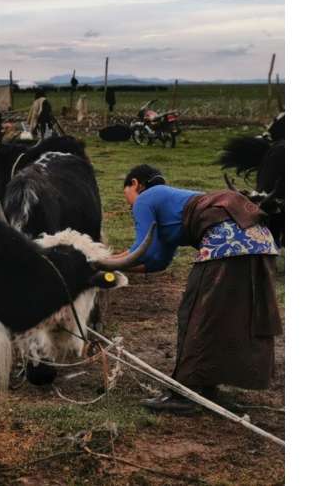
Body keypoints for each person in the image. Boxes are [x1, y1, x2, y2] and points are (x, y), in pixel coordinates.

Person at [110, 164, 282, 413]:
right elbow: (157, 260)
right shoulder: (173, 203)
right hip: (258, 242)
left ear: (135, 184)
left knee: (195, 315)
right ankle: (207, 387)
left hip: (227, 243)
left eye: (127, 193)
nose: (130, 205)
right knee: (226, 318)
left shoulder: (145, 198)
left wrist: (99, 261)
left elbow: (140, 250)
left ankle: (185, 393)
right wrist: (116, 264)